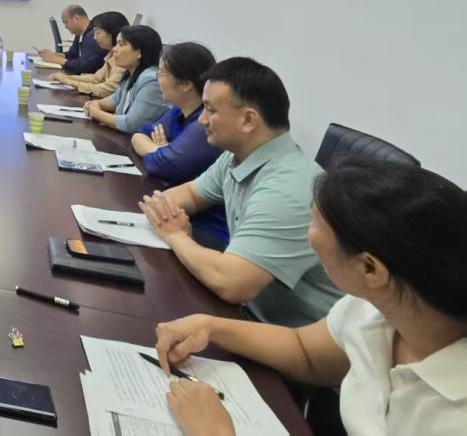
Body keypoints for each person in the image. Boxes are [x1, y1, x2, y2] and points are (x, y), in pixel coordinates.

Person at [155, 159, 467, 436]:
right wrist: (211, 327)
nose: (307, 233)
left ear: (370, 268)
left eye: (314, 223)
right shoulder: (373, 307)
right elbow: (305, 351)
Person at [138, 57, 341, 326]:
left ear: (248, 120)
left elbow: (232, 283)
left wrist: (176, 235)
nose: (202, 120)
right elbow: (189, 195)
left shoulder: (289, 187)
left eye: (210, 110)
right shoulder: (238, 156)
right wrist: (167, 214)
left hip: (290, 335)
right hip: (250, 314)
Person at [130, 42, 227, 249]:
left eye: (162, 73)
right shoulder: (178, 111)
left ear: (185, 84)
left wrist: (165, 154)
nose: (157, 77)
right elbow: (139, 134)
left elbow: (161, 165)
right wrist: (163, 150)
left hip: (207, 228)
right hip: (181, 212)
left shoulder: (203, 125)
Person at [83, 24, 167, 133]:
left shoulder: (151, 81)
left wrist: (96, 113)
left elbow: (131, 124)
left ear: (139, 52)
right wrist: (95, 104)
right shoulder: (131, 73)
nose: (114, 49)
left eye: (121, 44)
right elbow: (115, 99)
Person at [50, 10, 129, 97]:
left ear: (113, 33)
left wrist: (69, 81)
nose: (95, 37)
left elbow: (106, 90)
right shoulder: (112, 55)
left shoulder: (124, 60)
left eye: (98, 33)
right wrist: (65, 78)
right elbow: (96, 78)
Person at [35, 4, 105, 74]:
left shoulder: (93, 36)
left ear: (76, 18)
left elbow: (84, 66)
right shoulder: (80, 34)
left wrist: (56, 59)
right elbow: (72, 54)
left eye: (66, 22)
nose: (65, 26)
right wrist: (54, 55)